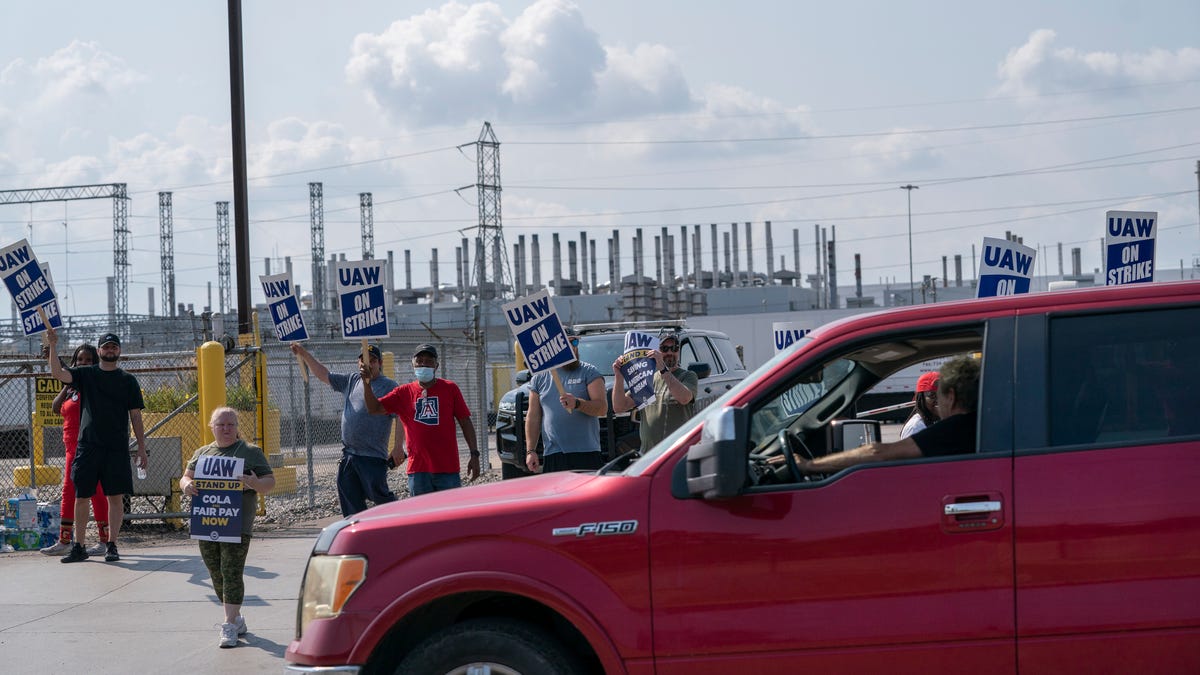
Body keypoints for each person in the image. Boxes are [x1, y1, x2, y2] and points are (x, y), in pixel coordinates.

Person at [46, 329, 148, 563]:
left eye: (114, 346)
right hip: (88, 446)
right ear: (99, 350)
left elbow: (136, 416)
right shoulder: (86, 374)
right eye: (106, 346)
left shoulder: (128, 380)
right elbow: (58, 373)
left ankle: (111, 544)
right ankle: (78, 546)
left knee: (114, 497)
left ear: (119, 350)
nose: (110, 350)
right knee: (81, 497)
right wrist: (53, 346)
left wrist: (141, 448)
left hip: (116, 447)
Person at [180, 407, 275, 649]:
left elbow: (269, 482)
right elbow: (185, 476)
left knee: (231, 570)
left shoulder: (250, 452)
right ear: (211, 427)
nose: (226, 429)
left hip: (237, 523)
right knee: (216, 571)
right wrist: (187, 485)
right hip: (208, 521)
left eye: (230, 424)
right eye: (221, 424)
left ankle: (229, 624)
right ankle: (238, 619)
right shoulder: (202, 453)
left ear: (236, 427)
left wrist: (254, 482)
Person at [796, 356, 980, 475]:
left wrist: (809, 466)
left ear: (951, 396)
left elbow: (878, 452)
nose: (937, 402)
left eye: (938, 395)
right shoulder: (980, 424)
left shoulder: (953, 429)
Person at [290, 342, 401, 516]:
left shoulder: (389, 386)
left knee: (380, 497)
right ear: (358, 363)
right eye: (364, 360)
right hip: (349, 455)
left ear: (380, 363)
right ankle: (358, 535)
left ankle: (398, 522)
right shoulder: (352, 380)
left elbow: (400, 415)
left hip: (372, 457)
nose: (368, 364)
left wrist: (397, 446)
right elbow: (324, 375)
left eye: (373, 360)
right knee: (350, 501)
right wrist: (304, 354)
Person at [361, 344, 479, 496]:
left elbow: (465, 422)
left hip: (447, 470)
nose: (424, 364)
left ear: (436, 365)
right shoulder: (403, 392)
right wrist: (366, 383)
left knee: (450, 517)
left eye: (429, 361)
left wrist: (474, 454)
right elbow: (374, 408)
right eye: (420, 360)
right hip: (418, 471)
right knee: (421, 517)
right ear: (413, 364)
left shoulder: (450, 389)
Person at [40, 344, 111, 557]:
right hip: (71, 446)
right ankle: (65, 540)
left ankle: (104, 540)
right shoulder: (72, 387)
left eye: (88, 360)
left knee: (97, 492)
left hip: (89, 446)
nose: (84, 364)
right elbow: (55, 406)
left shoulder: (95, 383)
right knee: (69, 491)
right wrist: (67, 380)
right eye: (80, 360)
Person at [525, 331, 607, 473]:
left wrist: (577, 403)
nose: (573, 347)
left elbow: (602, 408)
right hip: (554, 454)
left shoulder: (589, 372)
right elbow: (533, 417)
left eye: (574, 342)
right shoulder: (539, 378)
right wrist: (530, 451)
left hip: (586, 453)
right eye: (566, 342)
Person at [611, 331, 698, 451]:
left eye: (674, 348)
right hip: (649, 453)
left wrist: (663, 369)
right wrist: (618, 376)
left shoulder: (688, 376)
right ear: (656, 351)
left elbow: (684, 398)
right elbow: (620, 407)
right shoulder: (648, 377)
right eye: (664, 348)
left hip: (677, 451)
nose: (670, 352)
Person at [899, 371, 940, 439]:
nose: (939, 400)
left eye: (943, 394)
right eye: (932, 395)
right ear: (921, 398)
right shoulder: (915, 428)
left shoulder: (940, 422)